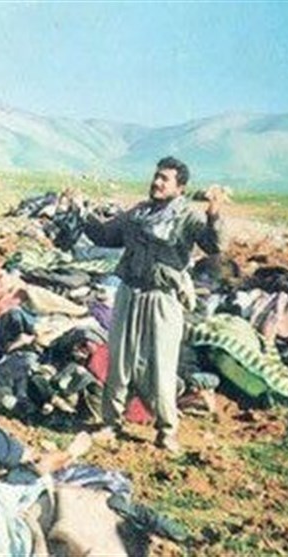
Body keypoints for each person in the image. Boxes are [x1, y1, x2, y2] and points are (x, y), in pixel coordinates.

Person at [84, 156, 228, 453]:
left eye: (164, 178)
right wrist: (80, 212)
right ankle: (111, 423)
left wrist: (214, 213)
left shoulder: (186, 217)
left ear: (180, 187)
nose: (157, 182)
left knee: (161, 365)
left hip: (162, 298)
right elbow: (106, 235)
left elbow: (214, 245)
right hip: (129, 292)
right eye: (156, 176)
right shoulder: (138, 213)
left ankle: (166, 431)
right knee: (119, 362)